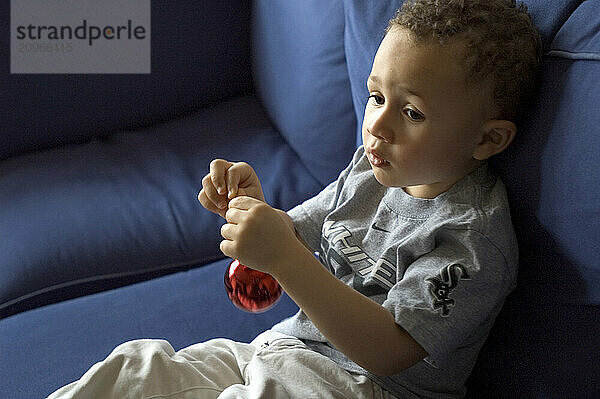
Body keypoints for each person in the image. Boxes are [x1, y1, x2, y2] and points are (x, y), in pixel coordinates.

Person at [48, 1, 542, 398]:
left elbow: (390, 350)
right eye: (376, 98)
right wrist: (256, 210)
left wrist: (281, 255)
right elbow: (297, 236)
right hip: (286, 349)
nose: (378, 126)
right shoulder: (372, 171)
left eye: (411, 112)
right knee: (141, 370)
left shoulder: (470, 238)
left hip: (367, 386)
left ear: (487, 140)